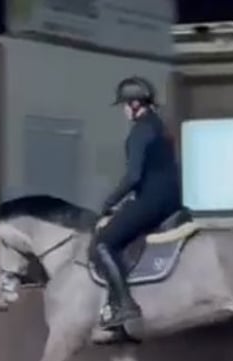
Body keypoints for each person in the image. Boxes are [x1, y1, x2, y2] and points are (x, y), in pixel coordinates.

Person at [91, 75, 182, 329]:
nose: (123, 111)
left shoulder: (140, 131)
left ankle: (123, 305)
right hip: (172, 200)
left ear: (134, 104)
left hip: (153, 201)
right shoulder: (160, 127)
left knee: (103, 242)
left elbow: (133, 176)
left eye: (124, 105)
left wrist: (109, 202)